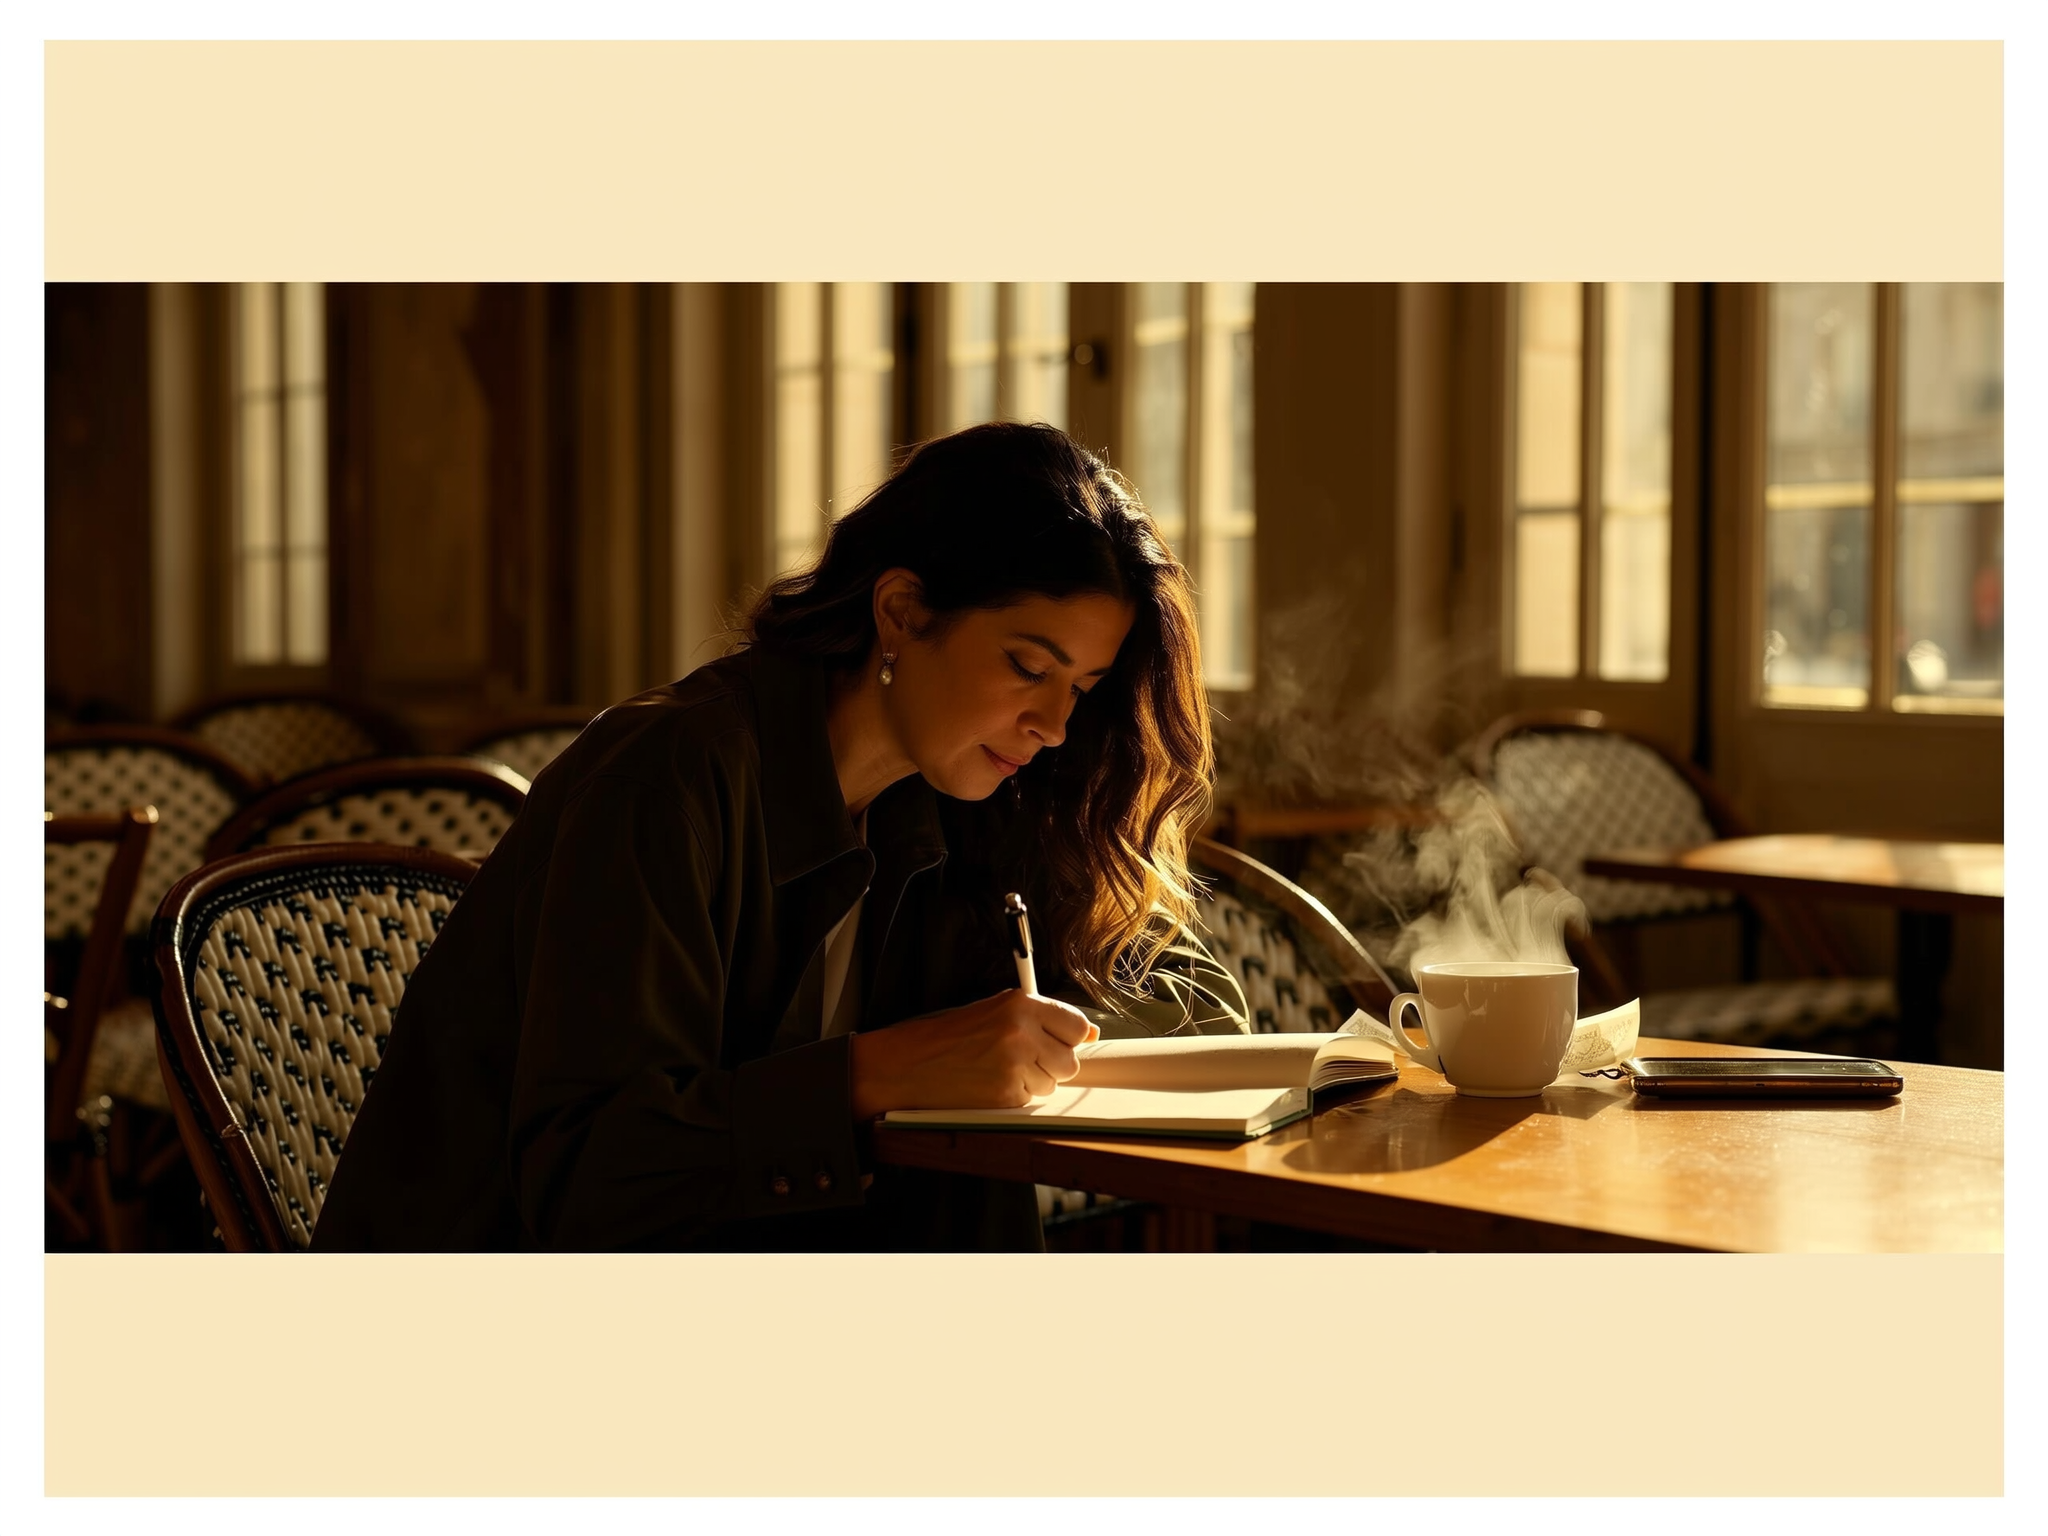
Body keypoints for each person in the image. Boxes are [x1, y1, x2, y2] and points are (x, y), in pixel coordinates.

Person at [312, 421, 1227, 1252]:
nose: (1055, 724)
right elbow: (594, 1181)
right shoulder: (664, 777)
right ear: (902, 611)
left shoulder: (962, 800)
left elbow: (1198, 1003)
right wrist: (878, 1073)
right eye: (1028, 666)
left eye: (1084, 688)